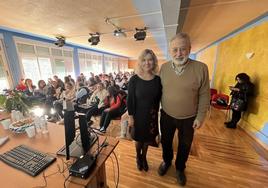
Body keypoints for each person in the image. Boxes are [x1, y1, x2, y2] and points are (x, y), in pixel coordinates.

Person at [158, 33, 210, 186]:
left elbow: (204, 95)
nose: (179, 53)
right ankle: (167, 162)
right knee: (166, 142)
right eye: (175, 50)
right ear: (170, 50)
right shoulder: (164, 68)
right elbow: (159, 91)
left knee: (185, 145)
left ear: (189, 49)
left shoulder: (201, 68)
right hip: (166, 115)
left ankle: (180, 168)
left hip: (189, 118)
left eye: (183, 49)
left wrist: (200, 117)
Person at [127, 49, 162, 172]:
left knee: (147, 139)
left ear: (154, 62)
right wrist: (131, 117)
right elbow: (129, 100)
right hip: (137, 115)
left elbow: (160, 99)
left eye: (150, 60)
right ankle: (138, 156)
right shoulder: (134, 80)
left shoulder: (158, 80)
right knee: (138, 139)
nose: (147, 63)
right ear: (140, 62)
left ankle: (144, 157)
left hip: (151, 116)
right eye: (144, 60)